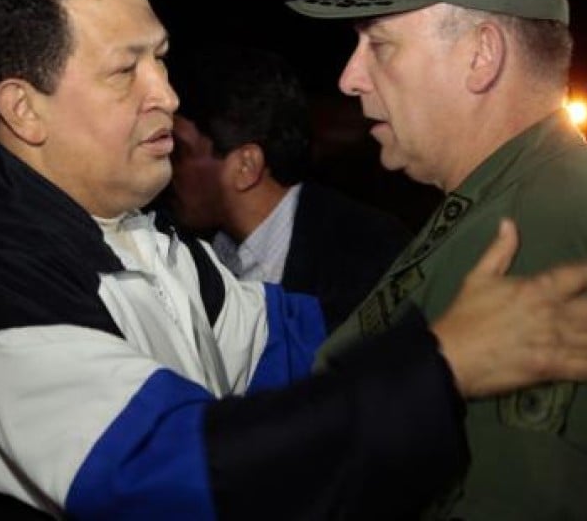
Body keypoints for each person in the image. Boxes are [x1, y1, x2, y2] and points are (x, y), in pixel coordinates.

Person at [0, 0, 587, 520]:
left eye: (161, 59)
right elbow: (164, 469)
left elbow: (293, 346)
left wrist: (451, 297)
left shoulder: (136, 236)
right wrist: (442, 361)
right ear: (24, 108)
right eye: (127, 71)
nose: (166, 93)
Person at [287, 0, 587, 519]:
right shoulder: (517, 196)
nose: (350, 78)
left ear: (481, 55)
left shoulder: (540, 237)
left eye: (381, 45)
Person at [164, 42, 412, 329]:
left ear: (246, 166)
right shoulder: (186, 252)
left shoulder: (369, 256)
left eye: (180, 152)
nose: (166, 167)